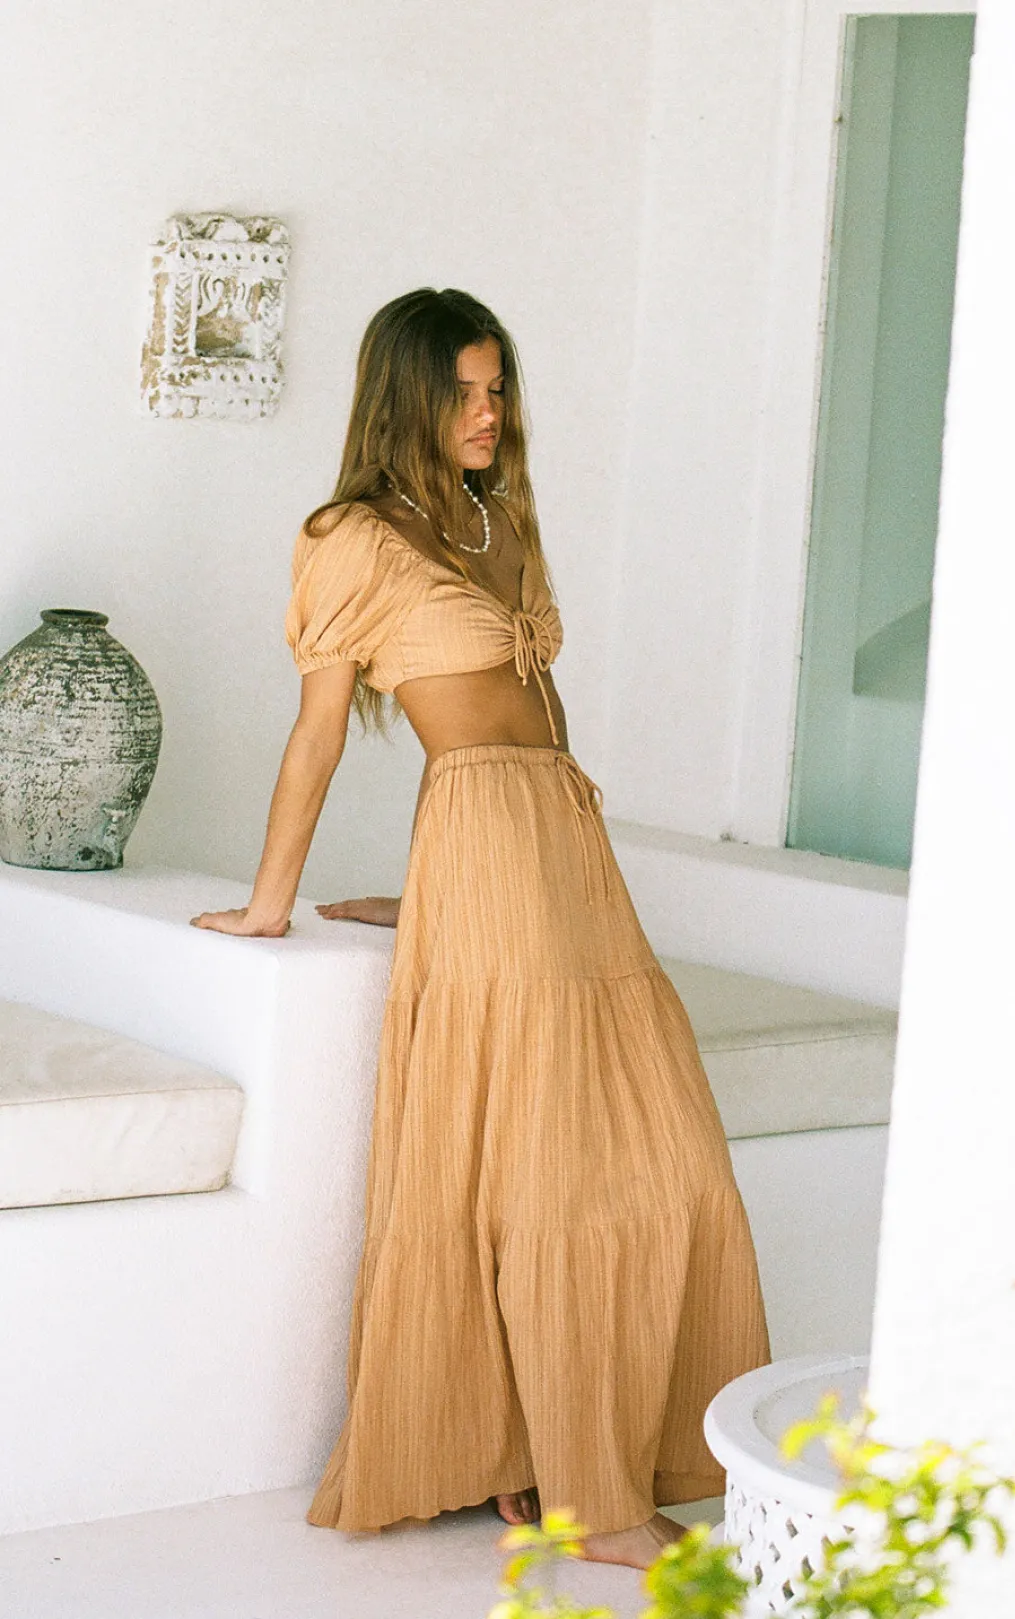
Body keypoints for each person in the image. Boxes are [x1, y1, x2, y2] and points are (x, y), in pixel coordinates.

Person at [192, 287, 770, 1570]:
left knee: (673, 1158)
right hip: (487, 840)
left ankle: (557, 1453)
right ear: (404, 396)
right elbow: (318, 732)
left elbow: (534, 719)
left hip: (562, 842)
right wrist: (273, 900)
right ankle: (593, 1500)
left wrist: (435, 891)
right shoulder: (349, 535)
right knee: (550, 1174)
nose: (487, 410)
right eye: (461, 389)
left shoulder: (496, 517)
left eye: (496, 386)